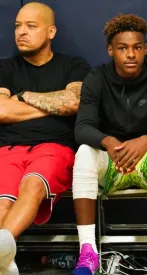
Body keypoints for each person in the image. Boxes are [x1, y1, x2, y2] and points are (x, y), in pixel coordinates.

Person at [71, 14, 147, 275]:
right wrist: (107, 141)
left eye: (137, 47)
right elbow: (82, 128)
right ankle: (87, 253)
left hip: (146, 163)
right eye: (122, 48)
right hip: (112, 161)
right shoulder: (96, 78)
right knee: (85, 152)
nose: (130, 54)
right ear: (111, 50)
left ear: (145, 49)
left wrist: (145, 141)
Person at [0, 2, 91, 274]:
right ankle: (3, 257)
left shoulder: (73, 66)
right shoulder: (5, 68)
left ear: (51, 32)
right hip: (9, 148)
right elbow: (1, 111)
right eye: (17, 26)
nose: (21, 32)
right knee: (2, 200)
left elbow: (74, 101)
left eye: (30, 26)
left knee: (32, 186)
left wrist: (23, 96)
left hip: (54, 148)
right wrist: (50, 104)